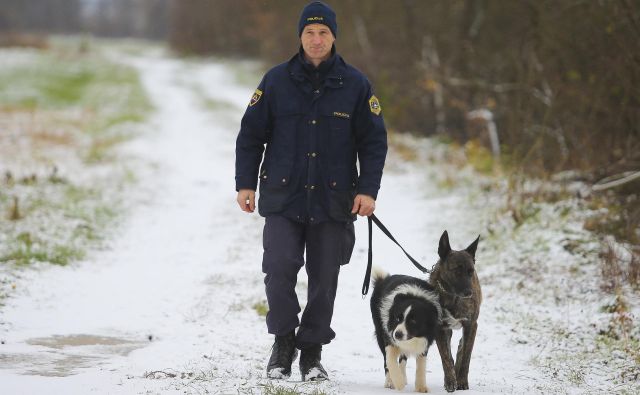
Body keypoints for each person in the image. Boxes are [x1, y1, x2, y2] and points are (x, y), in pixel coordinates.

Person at [235, 1, 387, 382]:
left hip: (333, 201)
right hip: (283, 198)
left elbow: (373, 143)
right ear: (300, 36)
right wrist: (245, 184)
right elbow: (251, 136)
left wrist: (367, 190)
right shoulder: (275, 81)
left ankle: (312, 353)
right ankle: (283, 343)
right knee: (278, 270)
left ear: (333, 36)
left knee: (325, 280)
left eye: (323, 33)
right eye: (309, 33)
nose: (316, 40)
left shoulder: (356, 84)